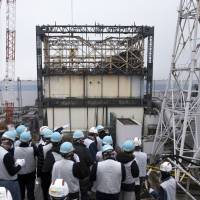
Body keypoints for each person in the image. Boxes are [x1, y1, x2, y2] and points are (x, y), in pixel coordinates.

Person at [0, 131, 25, 200]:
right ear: (10, 142)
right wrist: (20, 165)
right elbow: (12, 172)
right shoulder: (6, 155)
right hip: (10, 183)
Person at [14, 131, 38, 200]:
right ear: (29, 140)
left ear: (20, 140)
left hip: (19, 174)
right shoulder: (33, 149)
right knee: (30, 193)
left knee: (21, 193)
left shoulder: (15, 149)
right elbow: (38, 154)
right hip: (30, 174)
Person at [73, 130, 93, 200]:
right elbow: (90, 162)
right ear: (80, 140)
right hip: (84, 176)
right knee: (84, 194)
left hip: (73, 176)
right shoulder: (85, 150)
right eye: (83, 139)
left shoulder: (70, 149)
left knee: (74, 195)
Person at [42, 131, 63, 200]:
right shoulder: (66, 150)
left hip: (55, 181)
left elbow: (45, 169)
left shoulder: (50, 153)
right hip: (66, 179)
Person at [37, 128, 53, 200]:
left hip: (45, 172)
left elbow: (40, 162)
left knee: (45, 189)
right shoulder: (58, 146)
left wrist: (38, 174)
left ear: (43, 137)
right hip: (54, 171)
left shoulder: (42, 148)